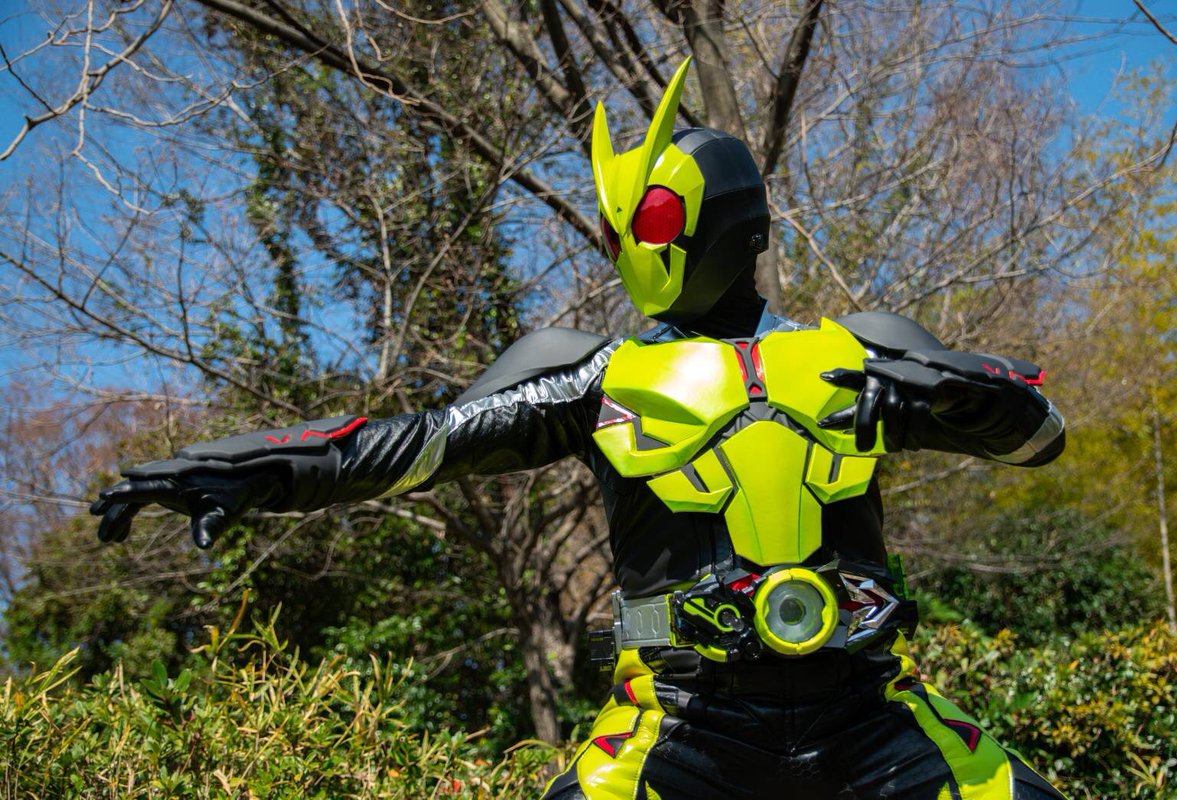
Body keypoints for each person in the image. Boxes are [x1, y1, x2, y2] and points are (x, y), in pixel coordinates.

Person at [92, 59, 1067, 799]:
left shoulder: (868, 350)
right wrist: (262, 466)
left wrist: (970, 396)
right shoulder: (595, 374)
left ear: (723, 221)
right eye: (619, 228)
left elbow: (1040, 437)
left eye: (647, 220)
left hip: (878, 722)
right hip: (675, 733)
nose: (630, 245)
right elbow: (411, 445)